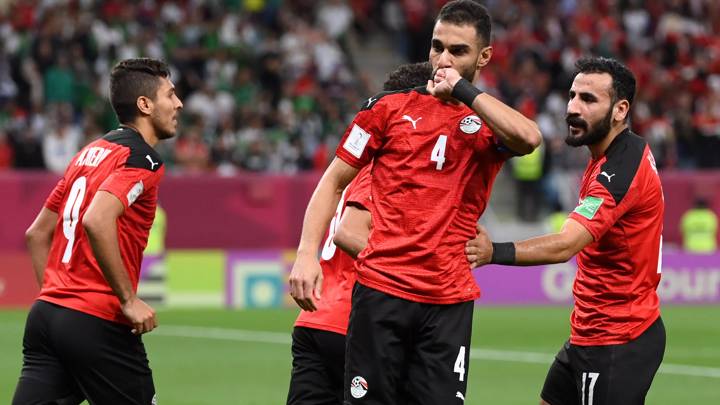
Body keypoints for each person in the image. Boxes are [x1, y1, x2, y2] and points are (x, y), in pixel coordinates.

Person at [288, 1, 542, 403]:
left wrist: (462, 89)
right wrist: (306, 254)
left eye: (458, 51)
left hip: (448, 301)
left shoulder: (488, 124)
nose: (443, 59)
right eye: (437, 47)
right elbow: (334, 181)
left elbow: (529, 138)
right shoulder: (386, 109)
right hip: (381, 294)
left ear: (484, 56)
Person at [466, 56, 665, 405]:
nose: (573, 108)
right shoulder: (609, 155)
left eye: (588, 100)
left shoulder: (619, 171)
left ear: (620, 110)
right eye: (572, 96)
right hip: (588, 333)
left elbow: (565, 245)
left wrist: (493, 251)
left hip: (617, 338)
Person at [13, 58, 183, 405]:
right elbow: (96, 219)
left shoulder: (88, 153)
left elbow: (36, 234)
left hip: (46, 316)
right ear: (145, 105)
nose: (179, 103)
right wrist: (127, 299)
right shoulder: (142, 160)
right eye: (171, 94)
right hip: (97, 319)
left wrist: (57, 295)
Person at [286, 61, 432, 405]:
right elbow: (349, 234)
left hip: (315, 320)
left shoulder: (352, 168)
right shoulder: (385, 169)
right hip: (353, 322)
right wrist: (420, 265)